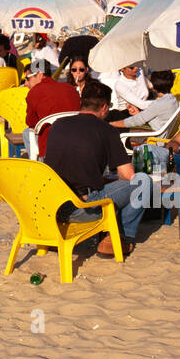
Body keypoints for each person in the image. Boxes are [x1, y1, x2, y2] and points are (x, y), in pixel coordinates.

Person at [42, 80, 152, 258]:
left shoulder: (58, 125)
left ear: (82, 102)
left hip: (51, 207)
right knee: (143, 182)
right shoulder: (107, 130)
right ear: (104, 107)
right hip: (82, 208)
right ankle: (118, 238)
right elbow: (128, 176)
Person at [24, 59, 81, 156]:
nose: (25, 83)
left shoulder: (34, 92)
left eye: (27, 78)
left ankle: (38, 165)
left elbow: (30, 123)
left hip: (48, 148)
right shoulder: (70, 89)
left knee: (26, 133)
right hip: (76, 142)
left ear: (40, 74)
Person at [111, 69, 178, 132]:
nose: (135, 68)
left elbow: (135, 121)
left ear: (154, 87)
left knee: (116, 125)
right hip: (158, 127)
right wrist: (139, 113)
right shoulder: (172, 99)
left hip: (154, 133)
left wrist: (111, 124)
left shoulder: (159, 104)